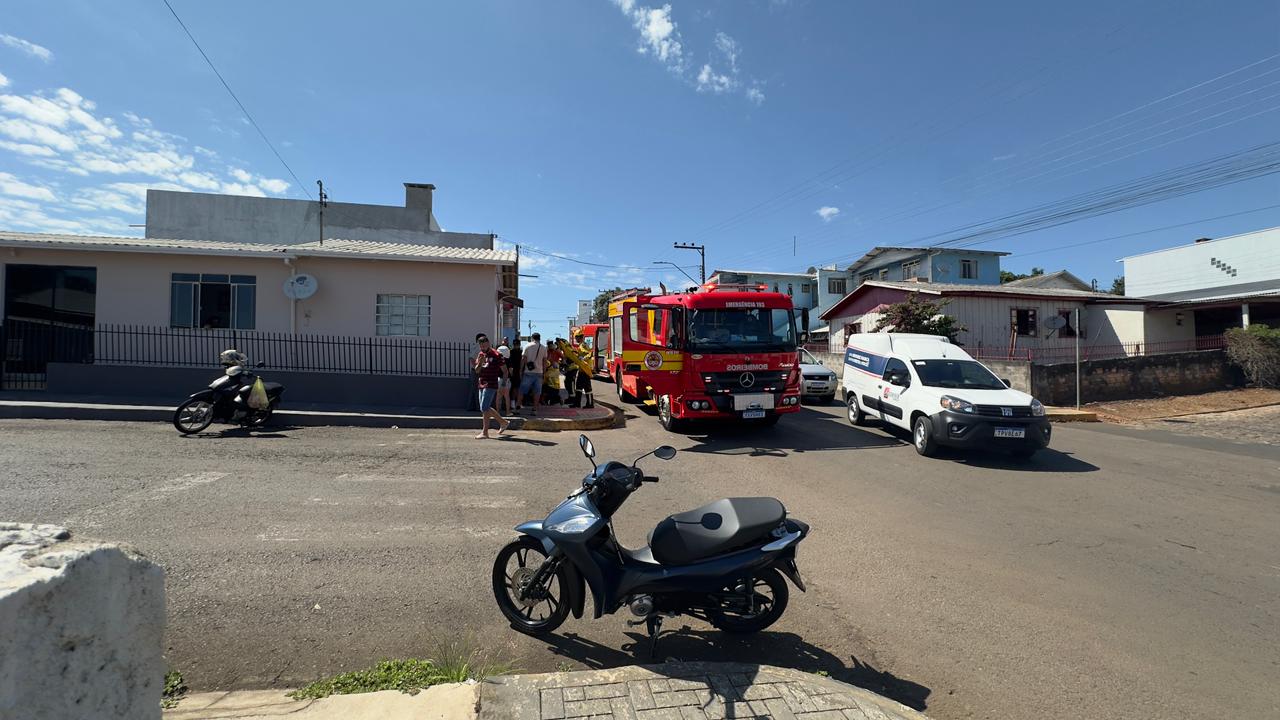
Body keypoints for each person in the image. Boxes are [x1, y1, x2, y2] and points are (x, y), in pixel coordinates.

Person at [473, 333, 510, 439]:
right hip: (481, 382)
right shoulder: (481, 354)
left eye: (484, 346)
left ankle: (485, 432)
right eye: (481, 346)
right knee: (484, 408)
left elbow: (505, 371)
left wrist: (503, 384)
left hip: (491, 383)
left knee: (484, 407)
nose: (483, 348)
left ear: (488, 343)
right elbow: (477, 371)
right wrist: (480, 363)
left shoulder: (496, 355)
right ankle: (503, 422)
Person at [517, 332, 548, 416]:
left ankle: (518, 408)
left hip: (528, 372)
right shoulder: (543, 348)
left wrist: (521, 370)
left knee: (522, 391)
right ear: (539, 338)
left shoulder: (527, 346)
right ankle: (534, 409)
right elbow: (545, 361)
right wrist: (544, 373)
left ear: (532, 338)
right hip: (539, 372)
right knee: (537, 392)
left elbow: (523, 359)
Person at [495, 339, 513, 415]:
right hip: (507, 380)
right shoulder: (508, 360)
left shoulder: (497, 360)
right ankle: (508, 412)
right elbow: (511, 370)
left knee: (498, 397)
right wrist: (511, 375)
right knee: (507, 397)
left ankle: (497, 413)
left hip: (498, 379)